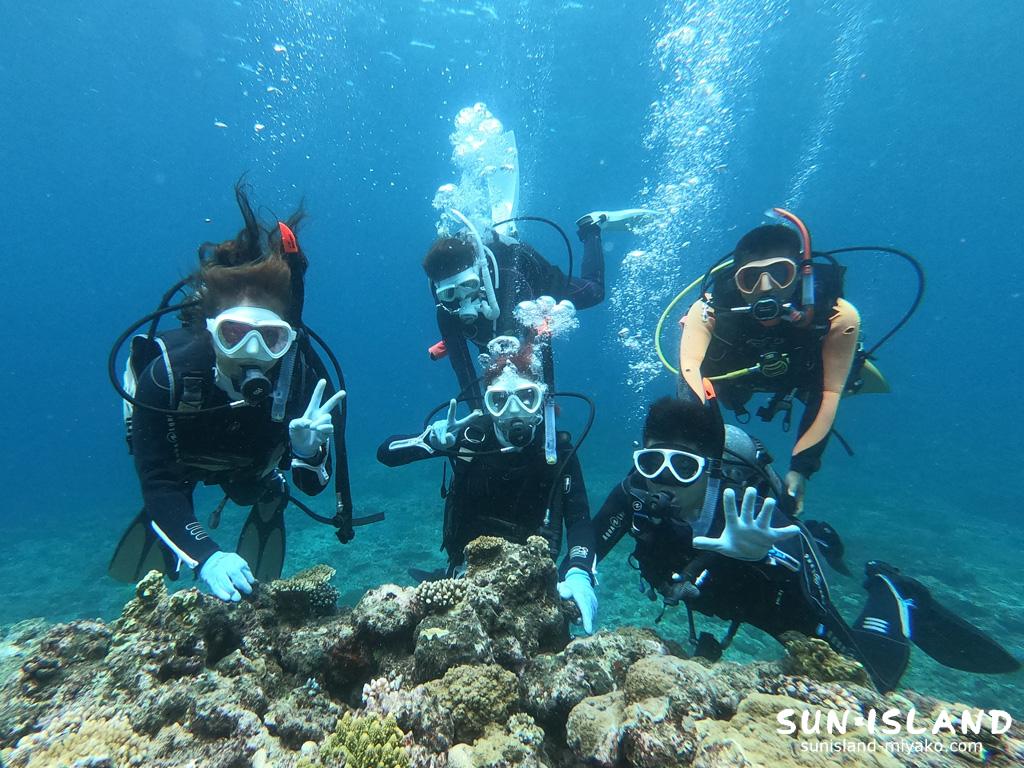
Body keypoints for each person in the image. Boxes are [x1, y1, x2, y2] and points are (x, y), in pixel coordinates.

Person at [576, 394, 1019, 691]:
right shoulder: (634, 492)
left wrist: (760, 557)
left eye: (684, 467)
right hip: (706, 593)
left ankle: (893, 591)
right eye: (652, 460)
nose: (662, 478)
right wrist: (576, 573)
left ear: (710, 468)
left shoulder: (748, 502)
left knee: (868, 681)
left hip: (766, 595)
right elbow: (588, 543)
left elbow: (794, 569)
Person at [108, 185, 348, 602]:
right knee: (172, 495)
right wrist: (207, 555)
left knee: (254, 488)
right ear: (210, 329)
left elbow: (312, 486)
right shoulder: (167, 376)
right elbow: (159, 479)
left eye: (271, 338)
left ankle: (269, 495)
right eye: (233, 335)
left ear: (286, 338)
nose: (252, 352)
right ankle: (171, 529)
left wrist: (309, 452)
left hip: (253, 467)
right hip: (184, 466)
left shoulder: (300, 378)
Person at [377, 333, 598, 630]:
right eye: (499, 400)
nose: (514, 410)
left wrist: (580, 572)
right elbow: (385, 454)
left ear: (542, 399)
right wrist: (429, 440)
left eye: (527, 396)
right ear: (487, 403)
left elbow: (580, 519)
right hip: (463, 577)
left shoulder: (557, 451)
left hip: (534, 586)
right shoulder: (470, 436)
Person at [678, 216, 860, 514]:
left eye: (780, 274)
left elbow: (828, 392)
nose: (766, 288)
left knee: (840, 382)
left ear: (801, 274)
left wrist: (801, 470)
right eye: (750, 278)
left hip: (802, 377)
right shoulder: (709, 309)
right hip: (735, 378)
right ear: (736, 280)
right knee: (720, 392)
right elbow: (690, 372)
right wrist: (698, 456)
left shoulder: (838, 314)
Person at [425, 209, 655, 402]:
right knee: (494, 353)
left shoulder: (509, 274)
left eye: (468, 285)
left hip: (531, 277)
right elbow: (461, 362)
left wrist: (548, 399)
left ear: (479, 274)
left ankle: (591, 228)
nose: (462, 300)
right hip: (497, 309)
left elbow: (541, 339)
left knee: (594, 293)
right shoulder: (446, 306)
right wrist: (476, 413)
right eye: (450, 293)